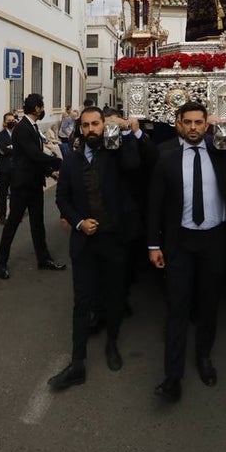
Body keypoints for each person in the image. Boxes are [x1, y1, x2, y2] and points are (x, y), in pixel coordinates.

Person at [148, 101, 226, 402]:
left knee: (209, 305)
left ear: (206, 125)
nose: (194, 127)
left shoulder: (222, 153)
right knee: (177, 308)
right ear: (178, 124)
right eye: (188, 122)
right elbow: (154, 204)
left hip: (215, 240)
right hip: (180, 242)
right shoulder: (166, 158)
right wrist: (153, 244)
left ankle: (204, 358)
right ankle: (172, 378)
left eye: (200, 122)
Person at [47, 108, 143, 390]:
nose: (91, 129)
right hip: (85, 242)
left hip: (113, 241)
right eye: (86, 125)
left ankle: (112, 344)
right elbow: (62, 198)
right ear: (80, 129)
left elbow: (134, 165)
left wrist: (125, 129)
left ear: (104, 126)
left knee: (113, 297)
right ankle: (77, 363)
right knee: (82, 301)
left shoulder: (116, 154)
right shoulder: (71, 162)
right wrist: (78, 222)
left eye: (96, 124)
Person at [0, 93, 66, 279]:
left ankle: (43, 259)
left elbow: (33, 160)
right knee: (12, 224)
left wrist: (49, 173)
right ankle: (1, 263)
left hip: (35, 184)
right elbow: (34, 155)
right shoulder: (23, 128)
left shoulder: (32, 127)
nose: (43, 110)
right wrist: (58, 162)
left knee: (38, 224)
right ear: (36, 108)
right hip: (22, 186)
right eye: (42, 107)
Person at [0, 113, 18, 224]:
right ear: (4, 122)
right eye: (9, 120)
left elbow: (20, 148)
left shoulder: (17, 134)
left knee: (15, 192)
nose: (11, 122)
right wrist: (11, 148)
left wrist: (10, 147)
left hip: (16, 168)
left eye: (13, 120)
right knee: (3, 193)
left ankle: (14, 214)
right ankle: (2, 216)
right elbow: (3, 150)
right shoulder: (0, 135)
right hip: (4, 168)